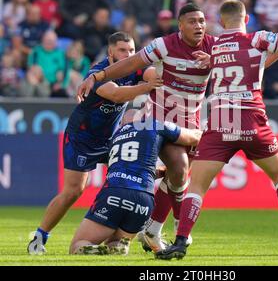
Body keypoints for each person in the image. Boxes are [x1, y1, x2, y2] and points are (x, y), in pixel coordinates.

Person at [155, 0, 278, 260]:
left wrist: (211, 61)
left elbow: (231, 61)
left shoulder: (216, 47)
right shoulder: (258, 39)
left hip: (221, 121)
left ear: (220, 22)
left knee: (196, 186)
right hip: (252, 119)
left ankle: (181, 243)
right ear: (246, 19)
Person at [76, 3, 217, 253]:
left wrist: (216, 63)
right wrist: (98, 76)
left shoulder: (213, 47)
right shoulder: (164, 45)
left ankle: (151, 229)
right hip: (159, 117)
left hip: (191, 120)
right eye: (193, 21)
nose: (199, 26)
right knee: (179, 167)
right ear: (180, 25)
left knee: (177, 176)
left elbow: (242, 64)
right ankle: (166, 226)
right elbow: (130, 64)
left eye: (202, 21)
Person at [27, 32, 162, 254]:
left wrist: (156, 76)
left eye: (131, 50)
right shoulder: (97, 73)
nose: (128, 55)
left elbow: (150, 73)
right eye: (122, 50)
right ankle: (39, 237)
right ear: (110, 52)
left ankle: (124, 238)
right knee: (73, 191)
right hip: (82, 138)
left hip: (110, 140)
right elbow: (117, 95)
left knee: (136, 176)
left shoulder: (134, 67)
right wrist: (148, 87)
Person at [69, 105, 202, 255]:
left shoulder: (114, 138)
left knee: (77, 246)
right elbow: (194, 137)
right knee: (115, 243)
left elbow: (124, 164)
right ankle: (119, 246)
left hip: (114, 193)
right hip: (144, 201)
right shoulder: (155, 124)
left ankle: (100, 248)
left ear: (122, 124)